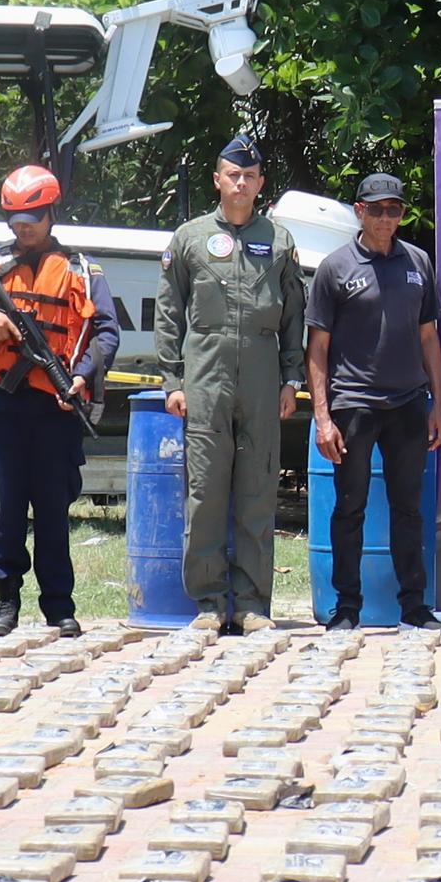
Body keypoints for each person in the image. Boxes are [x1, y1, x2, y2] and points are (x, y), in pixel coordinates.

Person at [0, 161, 118, 637]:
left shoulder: (84, 270)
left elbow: (105, 332)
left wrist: (82, 376)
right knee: (5, 504)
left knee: (53, 506)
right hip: (5, 405)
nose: (22, 231)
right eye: (14, 223)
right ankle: (5, 600)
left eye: (31, 221)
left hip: (58, 409)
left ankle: (59, 605)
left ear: (51, 215)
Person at [153, 128, 302, 633]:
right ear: (218, 179)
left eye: (250, 176)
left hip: (261, 375)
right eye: (233, 175)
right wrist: (173, 379)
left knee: (259, 488)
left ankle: (253, 603)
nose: (241, 183)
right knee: (206, 490)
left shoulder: (278, 240)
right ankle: (210, 602)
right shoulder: (189, 238)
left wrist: (290, 377)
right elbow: (170, 312)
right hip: (207, 375)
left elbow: (293, 318)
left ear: (261, 184)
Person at [304, 172, 441, 629]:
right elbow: (317, 350)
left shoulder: (419, 263)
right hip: (353, 405)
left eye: (395, 209)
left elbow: (430, 338)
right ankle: (346, 609)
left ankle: (414, 608)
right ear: (359, 211)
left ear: (403, 213)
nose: (386, 217)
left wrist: (438, 405)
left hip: (408, 404)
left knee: (408, 509)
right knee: (350, 508)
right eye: (377, 209)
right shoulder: (335, 268)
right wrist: (323, 417)